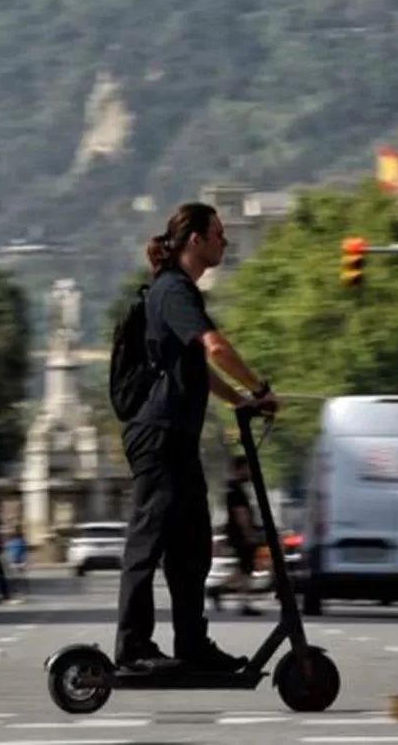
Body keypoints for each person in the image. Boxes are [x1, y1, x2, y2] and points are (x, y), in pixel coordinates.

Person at [115, 202, 278, 674]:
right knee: (148, 540)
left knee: (192, 544)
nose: (224, 242)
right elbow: (216, 348)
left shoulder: (180, 292)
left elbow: (198, 370)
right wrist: (260, 388)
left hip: (176, 437)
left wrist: (240, 402)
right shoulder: (173, 291)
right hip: (158, 434)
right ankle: (133, 648)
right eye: (219, 234)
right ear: (195, 240)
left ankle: (191, 644)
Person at [211, 455, 261, 617]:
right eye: (246, 468)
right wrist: (249, 533)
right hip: (240, 533)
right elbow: (241, 514)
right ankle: (243, 602)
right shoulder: (236, 490)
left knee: (244, 568)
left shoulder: (232, 488)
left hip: (237, 533)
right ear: (239, 469)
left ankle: (218, 590)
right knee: (246, 568)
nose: (249, 472)